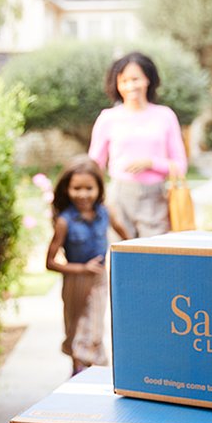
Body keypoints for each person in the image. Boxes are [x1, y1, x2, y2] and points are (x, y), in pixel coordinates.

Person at [88, 51, 188, 238]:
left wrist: (151, 163)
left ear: (148, 79)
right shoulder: (107, 118)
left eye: (135, 79)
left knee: (153, 253)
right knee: (120, 252)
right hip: (118, 196)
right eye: (124, 81)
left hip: (155, 198)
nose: (130, 86)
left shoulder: (165, 116)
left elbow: (180, 166)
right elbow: (94, 165)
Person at [46, 156, 129, 375]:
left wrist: (136, 253)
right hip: (75, 280)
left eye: (89, 188)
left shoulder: (105, 213)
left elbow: (125, 235)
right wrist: (82, 269)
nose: (83, 194)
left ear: (99, 188)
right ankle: (78, 370)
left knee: (94, 328)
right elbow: (50, 263)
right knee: (75, 327)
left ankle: (92, 371)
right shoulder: (65, 221)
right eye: (76, 188)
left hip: (99, 279)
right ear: (67, 189)